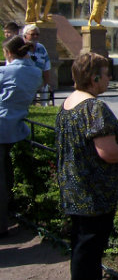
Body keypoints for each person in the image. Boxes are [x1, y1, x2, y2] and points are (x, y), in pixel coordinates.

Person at [56, 52, 118, 280]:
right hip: (95, 195)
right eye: (106, 74)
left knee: (81, 248)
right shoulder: (94, 108)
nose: (109, 78)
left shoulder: (68, 103)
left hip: (74, 189)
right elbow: (108, 153)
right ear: (94, 78)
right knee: (90, 253)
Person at [0, 36, 42, 237]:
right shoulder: (36, 72)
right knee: (6, 172)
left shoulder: (5, 72)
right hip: (15, 128)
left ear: (9, 53)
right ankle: (7, 214)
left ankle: (2, 225)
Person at [22, 24, 52, 101]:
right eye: (32, 34)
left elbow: (46, 67)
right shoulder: (21, 48)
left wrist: (47, 84)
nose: (35, 36)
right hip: (24, 82)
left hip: (39, 81)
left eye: (37, 34)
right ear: (25, 35)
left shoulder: (41, 48)